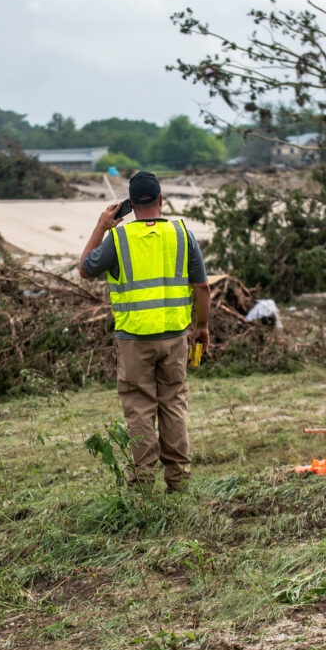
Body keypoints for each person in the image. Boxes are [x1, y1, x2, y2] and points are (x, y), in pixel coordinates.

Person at [79, 171, 211, 492]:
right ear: (161, 200)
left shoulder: (118, 239)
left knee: (139, 409)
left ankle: (141, 487)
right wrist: (202, 327)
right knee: (174, 404)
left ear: (130, 205)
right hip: (176, 338)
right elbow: (203, 288)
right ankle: (178, 484)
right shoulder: (182, 235)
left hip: (134, 341)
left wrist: (101, 226)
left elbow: (84, 269)